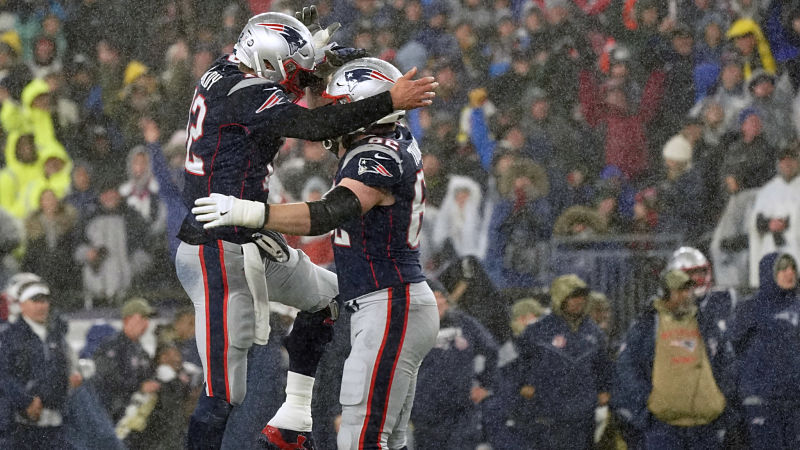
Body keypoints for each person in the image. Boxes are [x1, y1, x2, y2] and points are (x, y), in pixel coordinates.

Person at [174, 8, 437, 450]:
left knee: (328, 301)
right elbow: (316, 126)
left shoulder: (226, 71)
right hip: (216, 242)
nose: (305, 84)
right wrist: (388, 99)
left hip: (247, 232)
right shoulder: (247, 93)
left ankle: (293, 417)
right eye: (292, 72)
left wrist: (314, 60)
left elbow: (295, 94)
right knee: (224, 393)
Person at [612, 269, 733, 449]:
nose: (687, 296)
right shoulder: (646, 326)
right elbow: (627, 368)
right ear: (665, 294)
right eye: (680, 291)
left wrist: (721, 399)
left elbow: (726, 362)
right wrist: (647, 406)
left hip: (704, 426)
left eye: (689, 290)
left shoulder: (705, 323)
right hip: (663, 426)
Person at [512, 274, 611, 449]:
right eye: (573, 296)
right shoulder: (537, 331)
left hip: (583, 416)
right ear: (560, 298)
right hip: (546, 416)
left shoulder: (595, 333)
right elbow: (516, 364)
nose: (578, 301)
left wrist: (604, 390)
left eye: (582, 296)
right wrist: (523, 385)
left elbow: (604, 367)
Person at [729, 252, 800, 449]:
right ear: (769, 272)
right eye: (783, 268)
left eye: (792, 268)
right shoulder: (750, 308)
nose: (790, 273)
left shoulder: (798, 307)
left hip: (794, 401)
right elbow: (732, 349)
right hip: (760, 400)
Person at [0, 281, 81, 449]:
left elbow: (61, 372)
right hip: (19, 425)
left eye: (44, 301)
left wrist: (67, 385)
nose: (41, 306)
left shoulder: (55, 337)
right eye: (35, 301)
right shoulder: (10, 336)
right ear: (22, 305)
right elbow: (4, 375)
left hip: (54, 422)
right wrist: (26, 401)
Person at [92, 297, 160, 423]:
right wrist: (139, 387)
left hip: (134, 417)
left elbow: (149, 375)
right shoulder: (112, 346)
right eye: (142, 318)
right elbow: (107, 379)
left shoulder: (141, 351)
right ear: (127, 319)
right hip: (111, 416)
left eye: (147, 319)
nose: (146, 324)